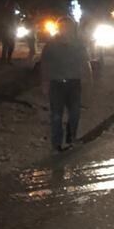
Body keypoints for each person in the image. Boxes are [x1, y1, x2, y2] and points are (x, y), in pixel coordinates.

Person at [41, 17, 92, 152]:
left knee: (74, 113)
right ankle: (56, 144)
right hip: (56, 84)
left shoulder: (78, 44)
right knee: (56, 115)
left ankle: (71, 138)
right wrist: (45, 83)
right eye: (62, 27)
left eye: (67, 27)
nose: (65, 30)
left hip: (73, 83)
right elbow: (45, 65)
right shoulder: (51, 45)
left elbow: (85, 61)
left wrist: (88, 77)